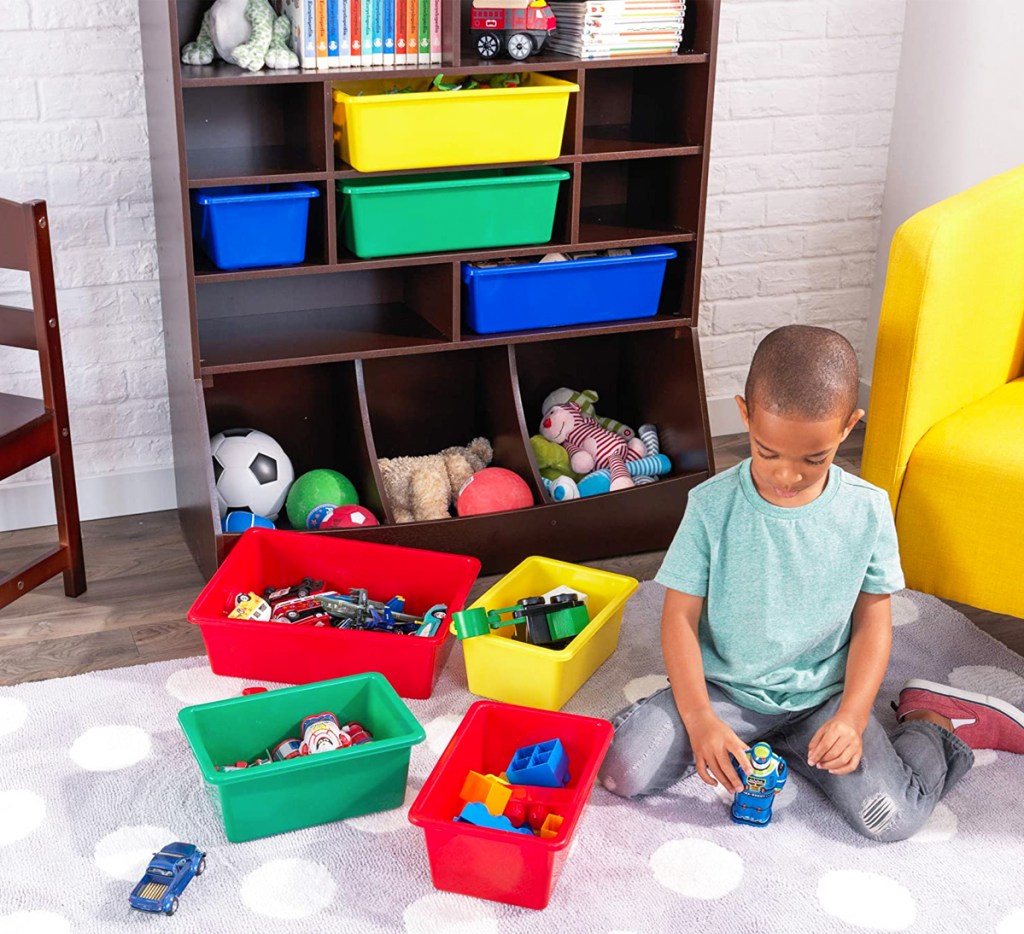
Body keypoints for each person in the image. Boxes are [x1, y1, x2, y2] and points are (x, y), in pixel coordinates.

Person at [599, 325, 1024, 841]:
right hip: (724, 692)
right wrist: (700, 719)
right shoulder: (711, 506)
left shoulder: (866, 511)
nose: (786, 476)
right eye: (767, 451)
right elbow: (679, 618)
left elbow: (873, 623)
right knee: (621, 769)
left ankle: (934, 724)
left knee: (892, 819)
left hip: (823, 700)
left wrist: (852, 714)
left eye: (813, 458)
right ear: (745, 414)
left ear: (849, 426)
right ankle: (748, 738)